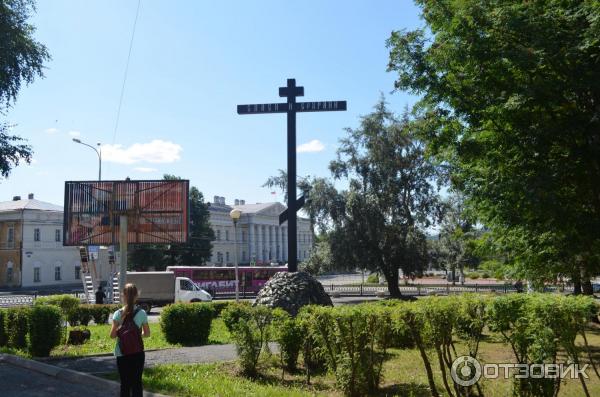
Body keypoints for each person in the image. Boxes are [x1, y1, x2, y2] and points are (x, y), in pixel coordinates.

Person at [110, 283, 150, 397]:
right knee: (137, 383)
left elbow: (112, 335)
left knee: (125, 384)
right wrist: (136, 335)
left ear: (123, 296)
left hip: (122, 353)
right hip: (137, 353)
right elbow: (147, 334)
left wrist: (122, 333)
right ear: (136, 296)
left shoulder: (118, 314)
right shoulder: (142, 313)